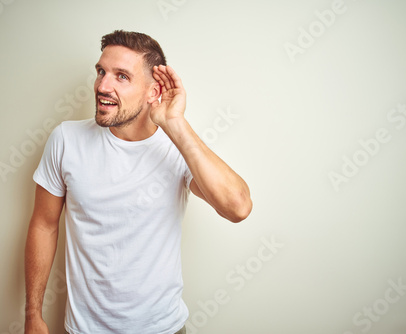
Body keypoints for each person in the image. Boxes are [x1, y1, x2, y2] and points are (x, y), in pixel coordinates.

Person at [24, 30, 252, 334]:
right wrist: (32, 314)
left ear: (152, 91)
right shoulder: (66, 139)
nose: (102, 86)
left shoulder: (177, 148)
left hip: (163, 329)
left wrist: (175, 124)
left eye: (121, 77)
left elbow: (237, 207)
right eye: (101, 72)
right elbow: (44, 224)